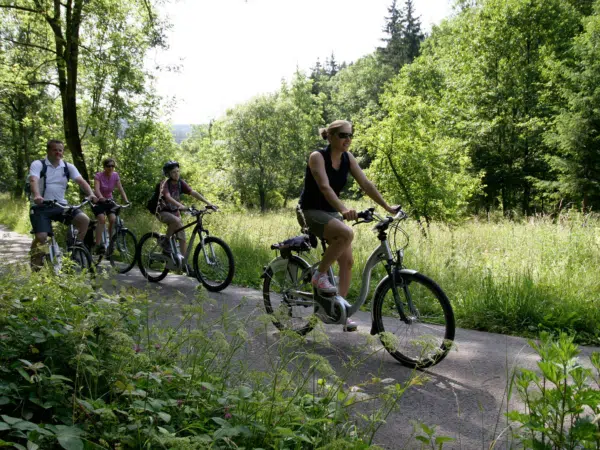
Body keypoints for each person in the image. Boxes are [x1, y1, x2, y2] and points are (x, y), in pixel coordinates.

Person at [297, 120, 398, 331]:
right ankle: (319, 275)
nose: (348, 139)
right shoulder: (318, 157)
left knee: (347, 262)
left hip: (332, 213)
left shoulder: (347, 158)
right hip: (311, 212)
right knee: (346, 233)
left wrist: (387, 207)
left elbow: (366, 184)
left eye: (350, 135)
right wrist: (344, 210)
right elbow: (324, 187)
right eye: (343, 135)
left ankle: (338, 309)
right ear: (331, 136)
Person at [28, 139, 98, 269]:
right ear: (48, 151)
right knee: (42, 237)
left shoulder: (67, 166)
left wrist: (91, 194)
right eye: (55, 150)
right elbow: (34, 180)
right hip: (41, 207)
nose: (58, 153)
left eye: (60, 150)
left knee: (84, 220)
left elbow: (81, 181)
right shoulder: (38, 164)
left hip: (60, 206)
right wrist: (37, 195)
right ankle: (35, 261)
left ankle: (73, 250)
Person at [157, 161, 217, 258]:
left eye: (178, 171)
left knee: (182, 237)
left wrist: (208, 203)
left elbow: (193, 192)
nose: (177, 174)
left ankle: (184, 264)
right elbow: (168, 197)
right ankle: (166, 242)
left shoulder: (180, 183)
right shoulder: (164, 184)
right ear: (168, 174)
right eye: (173, 172)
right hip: (162, 211)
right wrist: (180, 206)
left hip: (174, 212)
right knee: (176, 220)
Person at [91, 158, 130, 254]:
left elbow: (120, 189)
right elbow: (96, 189)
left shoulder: (115, 175)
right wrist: (100, 197)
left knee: (113, 219)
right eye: (109, 166)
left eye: (113, 166)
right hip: (98, 200)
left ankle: (111, 243)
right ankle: (98, 244)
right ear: (104, 167)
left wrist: (126, 200)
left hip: (109, 200)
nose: (111, 168)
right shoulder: (98, 176)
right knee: (101, 219)